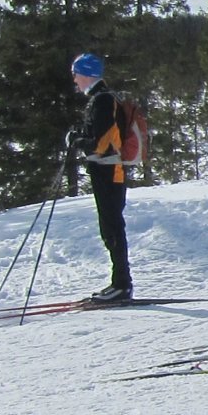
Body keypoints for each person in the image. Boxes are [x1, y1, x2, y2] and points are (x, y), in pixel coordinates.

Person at [69, 52, 132, 302]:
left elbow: (101, 144)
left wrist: (76, 141)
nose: (74, 80)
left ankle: (122, 285)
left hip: (109, 170)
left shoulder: (102, 100)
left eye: (75, 74)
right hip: (106, 170)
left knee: (112, 226)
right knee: (110, 226)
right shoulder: (100, 98)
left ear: (85, 74)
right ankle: (119, 283)